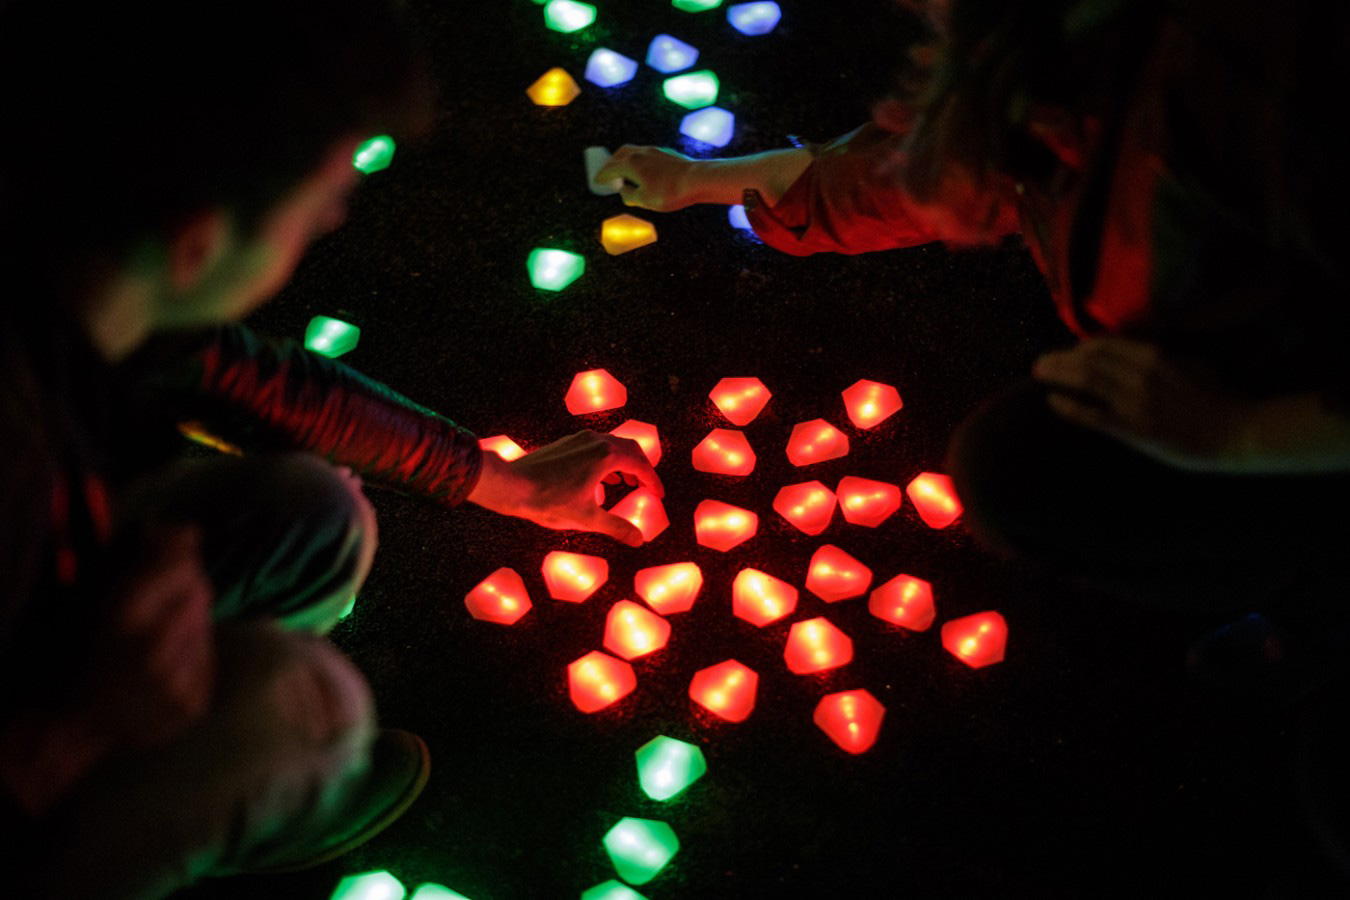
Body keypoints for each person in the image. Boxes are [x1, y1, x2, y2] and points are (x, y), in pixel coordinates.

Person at [0, 2, 660, 896]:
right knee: (309, 718)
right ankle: (194, 794)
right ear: (197, 244)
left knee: (313, 513)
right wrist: (72, 729)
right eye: (319, 204)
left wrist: (499, 479)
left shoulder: (85, 272)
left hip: (63, 579)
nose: (339, 216)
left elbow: (257, 384)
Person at [596, 0, 1350, 650]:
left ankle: (1310, 603)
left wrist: (1237, 434)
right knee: (1015, 466)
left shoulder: (1252, 80)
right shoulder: (1033, 60)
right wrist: (696, 179)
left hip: (1304, 406)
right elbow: (901, 179)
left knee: (1014, 470)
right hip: (1211, 356)